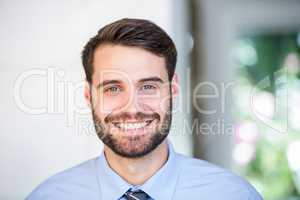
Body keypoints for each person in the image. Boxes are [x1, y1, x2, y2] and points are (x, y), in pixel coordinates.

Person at [27, 18, 263, 200]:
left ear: (173, 90)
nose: (132, 108)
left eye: (148, 86)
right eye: (113, 88)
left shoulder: (232, 194)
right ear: (89, 96)